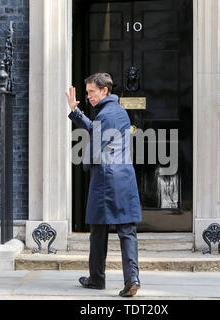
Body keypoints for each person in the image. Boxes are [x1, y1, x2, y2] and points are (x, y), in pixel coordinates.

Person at [65, 73, 142, 297]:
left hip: (106, 178)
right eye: (87, 92)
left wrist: (86, 164)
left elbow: (97, 145)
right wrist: (75, 111)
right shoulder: (118, 113)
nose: (88, 96)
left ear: (104, 91)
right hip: (125, 176)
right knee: (127, 230)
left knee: (98, 231)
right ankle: (132, 278)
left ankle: (97, 278)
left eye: (91, 92)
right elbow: (95, 130)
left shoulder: (105, 115)